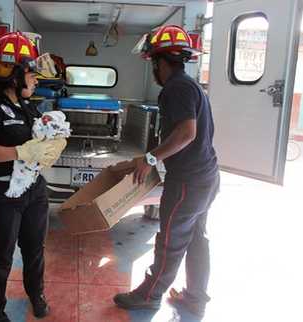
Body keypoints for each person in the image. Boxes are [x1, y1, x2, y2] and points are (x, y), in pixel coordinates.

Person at [113, 25, 220, 319]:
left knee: (171, 240)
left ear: (160, 62)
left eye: (153, 65)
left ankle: (149, 295)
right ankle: (195, 298)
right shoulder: (193, 85)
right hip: (206, 176)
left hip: (188, 181)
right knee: (197, 237)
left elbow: (187, 132)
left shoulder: (176, 88)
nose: (154, 72)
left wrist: (150, 158)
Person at [0, 32, 66, 322]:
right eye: (30, 73)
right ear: (13, 75)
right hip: (2, 196)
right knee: (1, 257)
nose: (35, 79)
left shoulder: (26, 105)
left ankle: (36, 293)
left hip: (35, 190)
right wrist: (21, 152)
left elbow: (40, 137)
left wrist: (54, 140)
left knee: (35, 249)